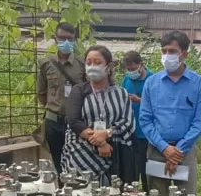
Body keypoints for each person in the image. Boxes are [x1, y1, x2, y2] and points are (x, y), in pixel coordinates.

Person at [139, 30, 201, 196]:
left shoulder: (199, 84)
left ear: (184, 54)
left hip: (185, 152)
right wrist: (165, 148)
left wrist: (177, 152)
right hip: (157, 150)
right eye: (164, 51)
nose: (167, 55)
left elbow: (198, 122)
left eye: (172, 51)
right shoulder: (151, 83)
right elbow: (145, 120)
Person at [62, 45, 135, 185]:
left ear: (109, 66)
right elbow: (74, 121)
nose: (92, 66)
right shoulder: (78, 91)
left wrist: (107, 133)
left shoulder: (121, 93)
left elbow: (128, 122)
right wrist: (101, 142)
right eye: (88, 62)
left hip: (114, 153)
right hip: (81, 154)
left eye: (97, 62)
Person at [37, 22, 85, 175]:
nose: (66, 42)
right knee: (57, 161)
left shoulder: (81, 64)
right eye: (62, 38)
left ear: (75, 40)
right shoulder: (46, 64)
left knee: (76, 161)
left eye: (70, 39)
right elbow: (41, 93)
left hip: (75, 123)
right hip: (53, 122)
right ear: (55, 39)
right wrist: (56, 107)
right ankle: (61, 192)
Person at [121, 50, 153, 190]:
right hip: (130, 130)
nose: (131, 71)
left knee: (146, 167)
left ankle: (148, 193)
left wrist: (139, 100)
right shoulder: (127, 79)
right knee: (131, 167)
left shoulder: (152, 79)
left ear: (141, 64)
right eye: (128, 69)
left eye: (133, 68)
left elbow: (158, 104)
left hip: (147, 132)